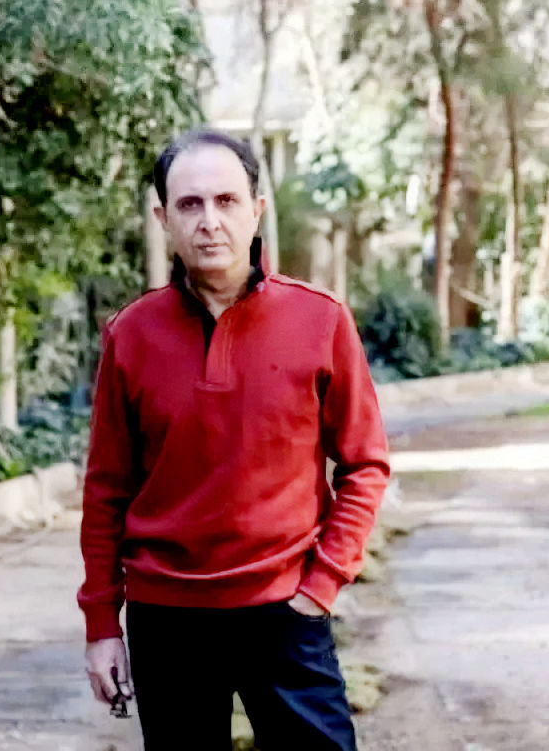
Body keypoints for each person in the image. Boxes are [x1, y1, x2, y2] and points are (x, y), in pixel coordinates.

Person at [77, 127, 390, 751]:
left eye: (226, 201)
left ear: (256, 211)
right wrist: (102, 624)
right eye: (190, 205)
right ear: (165, 220)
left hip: (285, 609)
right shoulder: (131, 335)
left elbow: (365, 464)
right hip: (167, 619)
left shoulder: (320, 319)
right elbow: (107, 489)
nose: (209, 221)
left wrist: (322, 584)